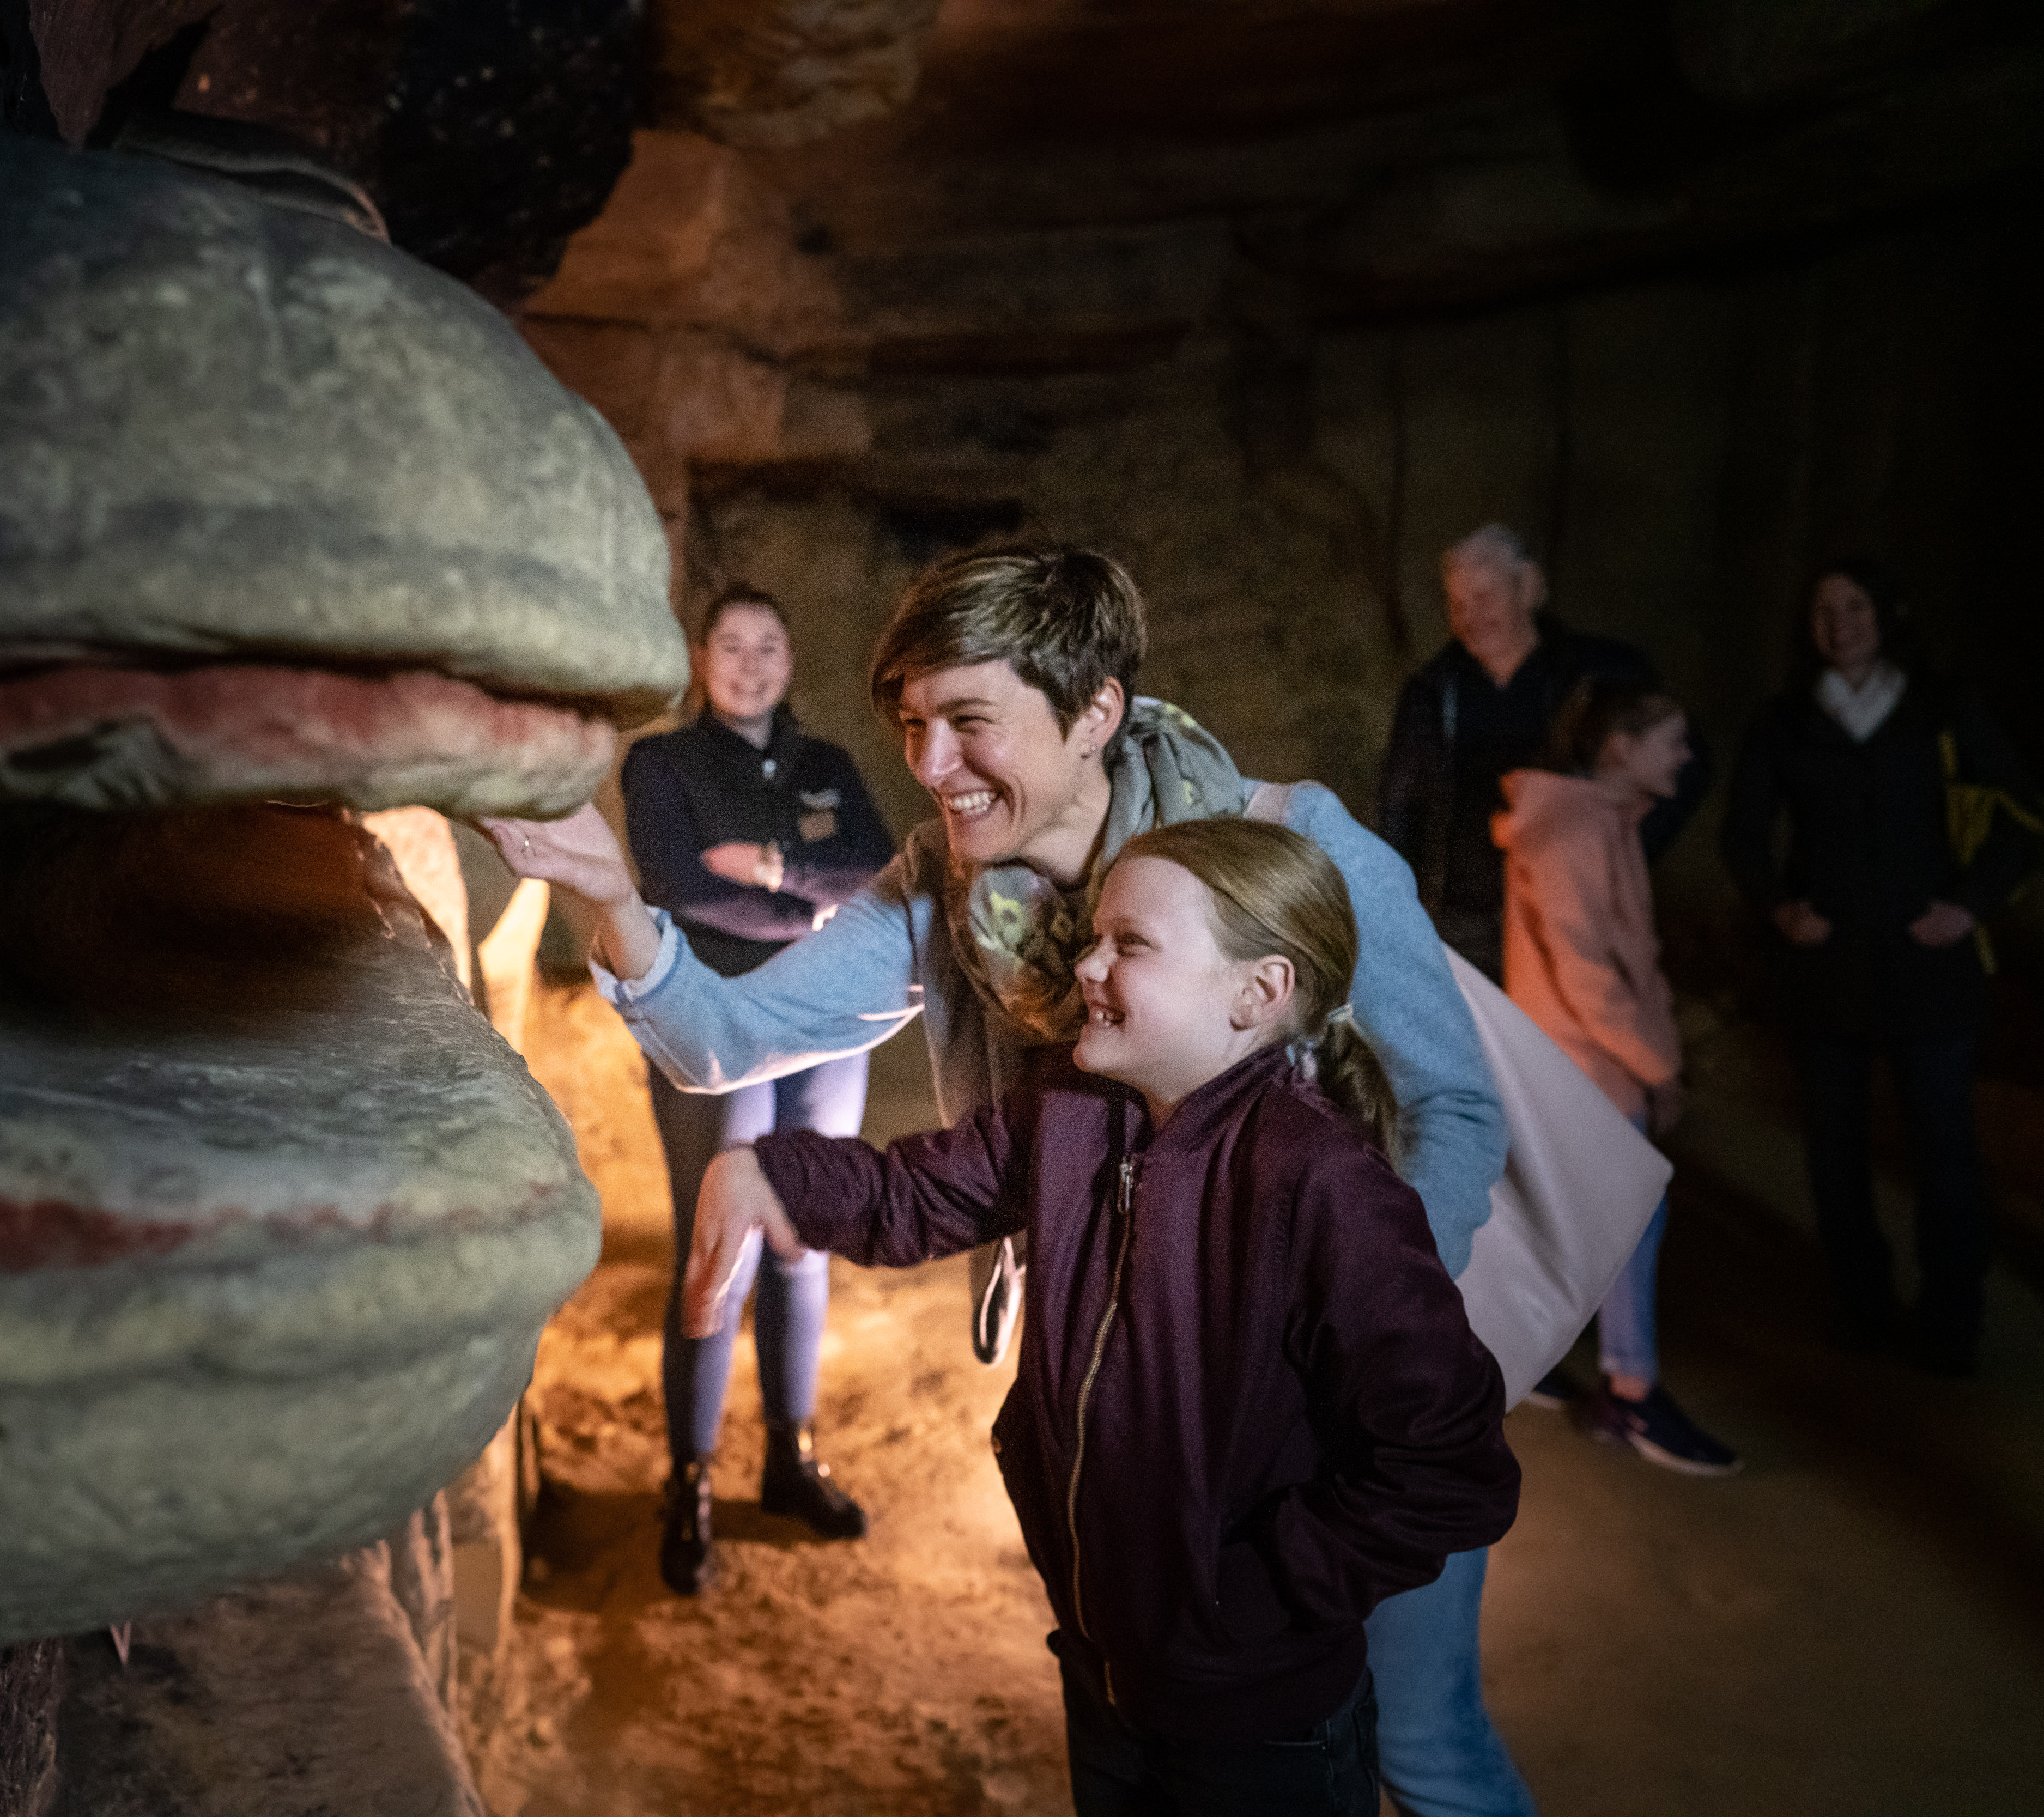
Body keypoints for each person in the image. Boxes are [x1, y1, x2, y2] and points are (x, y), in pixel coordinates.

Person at [486, 544, 1539, 1817]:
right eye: (912, 724)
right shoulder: (945, 883)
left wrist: (1353, 1341)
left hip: (1332, 1421)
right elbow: (726, 1042)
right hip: (1131, 1431)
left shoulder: (1286, 853)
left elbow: (1452, 1100)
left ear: (1094, 709)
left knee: (1414, 1745)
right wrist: (610, 895)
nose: (928, 768)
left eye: (967, 721)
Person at [682, 818, 1520, 1817]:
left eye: (1131, 944)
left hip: (1260, 1727)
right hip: (1105, 1681)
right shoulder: (1072, 1110)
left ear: (1258, 994)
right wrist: (769, 1170)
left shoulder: (1324, 1189)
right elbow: (913, 1196)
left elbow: (1449, 1470)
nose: (1085, 964)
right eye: (1096, 937)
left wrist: (1241, 1609)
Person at [617, 586, 897, 1594]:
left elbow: (875, 873)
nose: (748, 663)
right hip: (718, 1034)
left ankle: (791, 1457)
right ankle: (687, 1483)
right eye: (730, 645)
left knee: (801, 1236)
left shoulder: (824, 765)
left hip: (825, 1037)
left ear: (789, 657)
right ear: (701, 660)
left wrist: (772, 866)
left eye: (766, 645)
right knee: (716, 1249)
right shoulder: (662, 764)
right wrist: (808, 906)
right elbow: (676, 886)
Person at [1722, 560, 2041, 1377]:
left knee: (1943, 1145)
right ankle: (1861, 1303)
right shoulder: (1786, 719)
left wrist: (1969, 904)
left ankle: (1950, 1319)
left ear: (1886, 613)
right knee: (1835, 1147)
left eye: (1855, 605)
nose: (1840, 622)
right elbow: (1746, 832)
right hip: (1826, 968)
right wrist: (1780, 905)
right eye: (1824, 609)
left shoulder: (1941, 708)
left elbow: (2020, 817)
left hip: (1929, 966)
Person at [1495, 677, 1739, 1473]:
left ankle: (1540, 1365)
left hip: (1602, 1068)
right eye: (1672, 738)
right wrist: (1658, 1065)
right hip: (1585, 1070)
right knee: (1628, 1225)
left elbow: (1635, 959)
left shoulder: (1605, 825)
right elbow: (1589, 975)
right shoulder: (1572, 835)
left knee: (1600, 1222)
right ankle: (1630, 1393)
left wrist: (1658, 1061)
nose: (1686, 754)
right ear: (1620, 748)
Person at [1379, 525, 1710, 981]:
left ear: (1529, 588)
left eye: (1485, 597)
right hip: (1464, 926)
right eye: (1458, 603)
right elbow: (1400, 810)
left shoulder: (1604, 677)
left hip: (1575, 922)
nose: (1470, 616)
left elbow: (1687, 762)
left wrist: (1624, 848)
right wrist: (1404, 910)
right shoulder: (1433, 692)